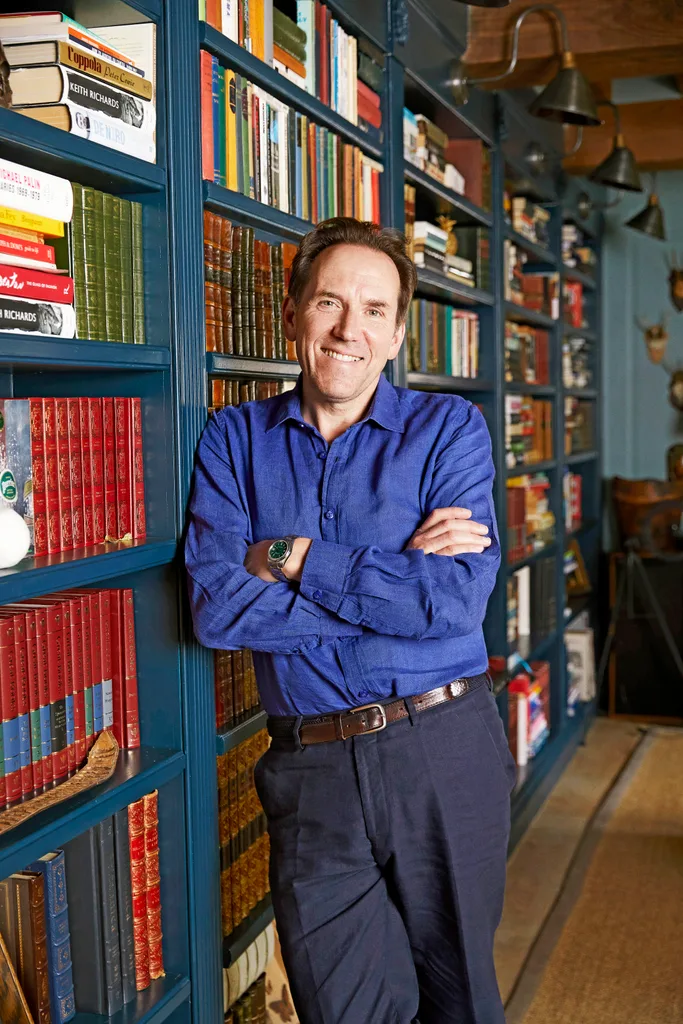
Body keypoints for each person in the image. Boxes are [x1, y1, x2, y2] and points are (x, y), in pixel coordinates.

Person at [185, 218, 515, 1024]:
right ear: (294, 311)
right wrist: (392, 591)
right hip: (309, 770)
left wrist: (294, 556)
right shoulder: (234, 438)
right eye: (329, 302)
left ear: (398, 332)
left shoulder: (449, 432)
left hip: (441, 749)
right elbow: (217, 609)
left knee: (457, 999)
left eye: (373, 310)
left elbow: (454, 602)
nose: (348, 330)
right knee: (344, 1008)